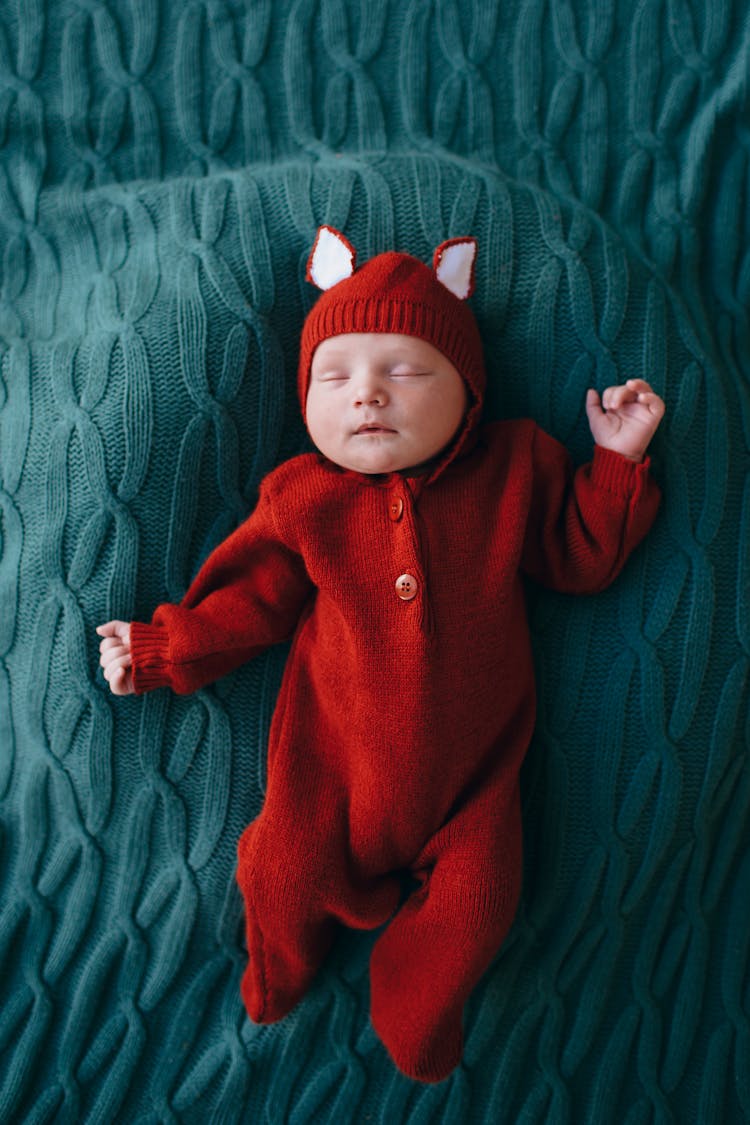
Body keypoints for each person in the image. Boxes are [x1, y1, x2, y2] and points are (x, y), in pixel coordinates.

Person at [97, 226, 665, 1083]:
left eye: (404, 371)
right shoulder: (302, 500)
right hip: (329, 780)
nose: (367, 395)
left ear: (469, 394)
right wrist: (161, 647)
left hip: (471, 793)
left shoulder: (513, 469)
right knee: (277, 869)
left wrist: (616, 464)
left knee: (480, 905)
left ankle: (416, 1002)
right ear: (308, 399)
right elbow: (244, 602)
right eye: (337, 376)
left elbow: (581, 555)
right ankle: (277, 971)